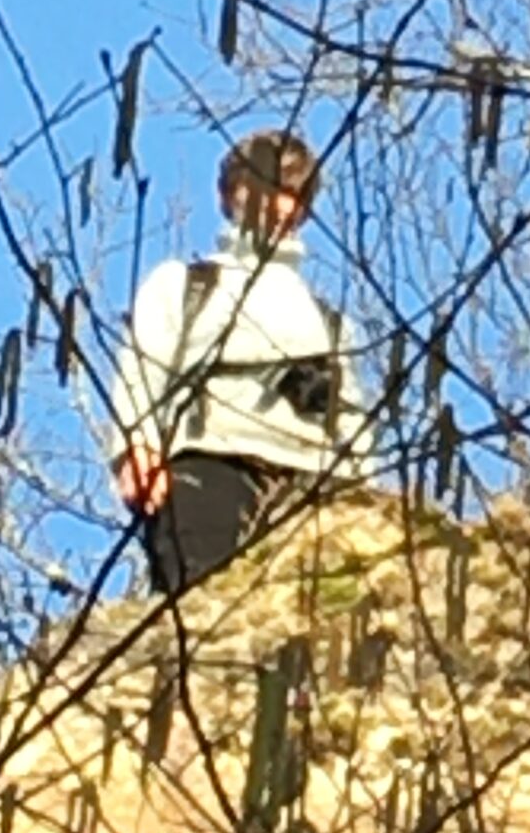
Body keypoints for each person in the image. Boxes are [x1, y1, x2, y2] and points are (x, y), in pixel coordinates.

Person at [109, 128, 367, 595]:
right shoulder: (183, 285)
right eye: (263, 186)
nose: (276, 203)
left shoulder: (329, 323)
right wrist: (136, 446)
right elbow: (144, 367)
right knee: (201, 610)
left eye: (289, 191)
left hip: (313, 483)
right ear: (232, 196)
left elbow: (352, 420)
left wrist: (366, 495)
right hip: (210, 466)